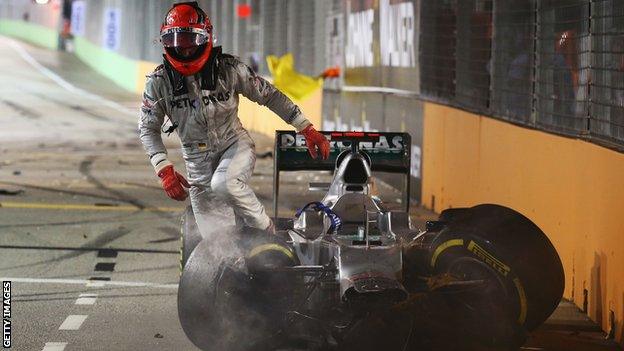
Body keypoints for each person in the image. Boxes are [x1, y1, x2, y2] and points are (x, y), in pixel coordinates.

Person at [138, 1, 329, 235]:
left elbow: (270, 96)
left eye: (190, 40)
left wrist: (306, 128)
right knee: (220, 249)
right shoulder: (158, 82)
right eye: (176, 41)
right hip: (198, 170)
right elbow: (148, 128)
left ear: (206, 38)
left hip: (235, 146)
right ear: (165, 41)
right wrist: (164, 168)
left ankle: (268, 230)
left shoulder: (230, 69)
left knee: (224, 184)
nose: (184, 49)